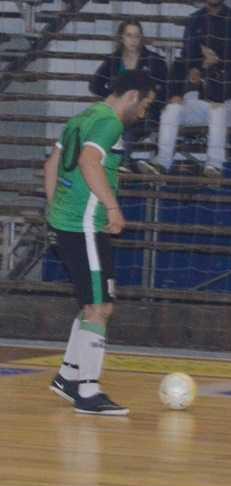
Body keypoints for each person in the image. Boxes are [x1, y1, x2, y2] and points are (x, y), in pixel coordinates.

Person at [45, 70, 156, 416]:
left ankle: (68, 377)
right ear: (132, 96)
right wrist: (112, 207)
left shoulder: (82, 117)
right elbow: (88, 161)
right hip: (85, 226)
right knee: (99, 308)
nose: (143, 113)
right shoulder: (110, 122)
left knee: (93, 303)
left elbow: (51, 165)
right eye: (145, 105)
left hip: (69, 223)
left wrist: (56, 209)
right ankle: (88, 392)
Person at [137, 0, 231, 178]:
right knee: (172, 109)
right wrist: (176, 94)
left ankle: (214, 165)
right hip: (200, 105)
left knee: (217, 109)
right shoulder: (194, 19)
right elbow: (185, 58)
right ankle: (162, 162)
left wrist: (217, 63)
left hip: (230, 104)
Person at [89, 18, 167, 170]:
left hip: (145, 114)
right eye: (129, 35)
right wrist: (115, 97)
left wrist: (147, 103)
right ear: (121, 37)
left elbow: (164, 91)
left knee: (126, 128)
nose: (133, 40)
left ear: (141, 38)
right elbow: (95, 85)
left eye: (137, 36)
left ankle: (122, 163)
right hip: (117, 112)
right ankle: (122, 164)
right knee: (103, 123)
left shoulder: (154, 60)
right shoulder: (112, 60)